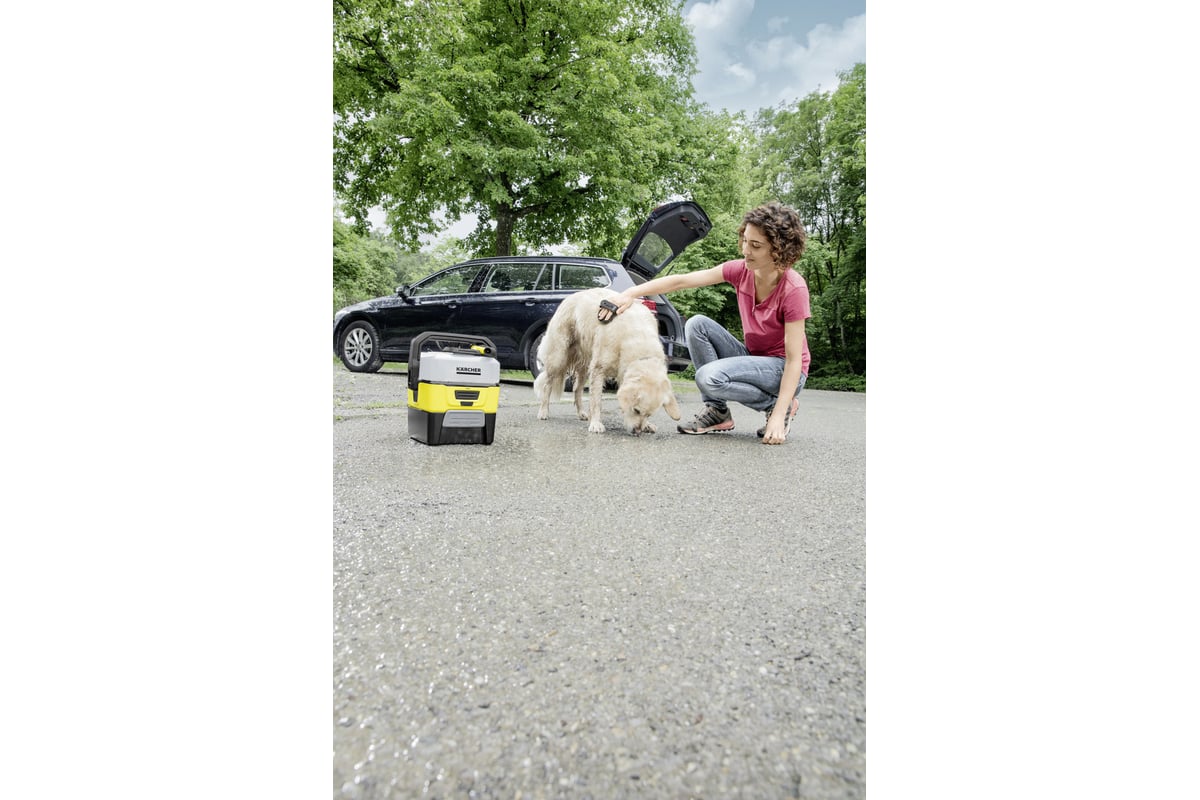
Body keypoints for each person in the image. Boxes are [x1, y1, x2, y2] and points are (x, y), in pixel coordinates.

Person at [598, 201, 811, 445]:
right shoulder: (741, 271)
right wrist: (629, 294)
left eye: (756, 246)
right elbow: (682, 281)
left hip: (785, 369)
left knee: (708, 378)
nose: (745, 250)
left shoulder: (793, 289)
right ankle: (717, 411)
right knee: (696, 324)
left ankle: (777, 407)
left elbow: (794, 361)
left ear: (779, 250)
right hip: (754, 358)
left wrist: (778, 415)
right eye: (745, 241)